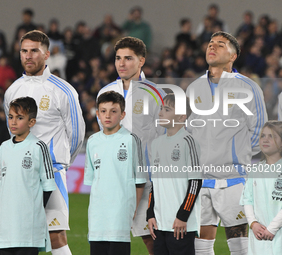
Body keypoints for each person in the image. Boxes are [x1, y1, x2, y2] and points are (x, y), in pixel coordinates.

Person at [4, 30, 85, 255]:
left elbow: (77, 133)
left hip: (52, 172)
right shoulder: (13, 90)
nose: (28, 56)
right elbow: (12, 130)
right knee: (22, 236)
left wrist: (61, 163)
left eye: (34, 51)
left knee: (56, 235)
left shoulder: (63, 90)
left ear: (47, 54)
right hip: (22, 175)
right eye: (24, 51)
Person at [186, 31, 267, 255]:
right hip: (200, 180)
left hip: (233, 178)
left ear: (233, 56)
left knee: (240, 245)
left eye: (220, 45)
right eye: (210, 43)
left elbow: (260, 131)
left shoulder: (247, 87)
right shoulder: (194, 88)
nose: (212, 47)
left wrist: (236, 158)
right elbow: (189, 130)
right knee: (201, 246)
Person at [97, 36, 165, 255]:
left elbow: (166, 136)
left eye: (128, 58)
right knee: (111, 239)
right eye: (118, 58)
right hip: (114, 179)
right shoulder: (105, 93)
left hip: (146, 181)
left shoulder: (156, 93)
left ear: (141, 61)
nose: (121, 63)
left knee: (152, 239)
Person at [84, 91, 146, 255]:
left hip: (120, 212)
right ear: (97, 114)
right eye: (103, 111)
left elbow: (140, 180)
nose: (108, 115)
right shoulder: (92, 142)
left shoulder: (131, 140)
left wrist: (133, 209)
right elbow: (92, 180)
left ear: (122, 114)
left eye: (113, 111)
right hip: (97, 215)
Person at [0, 97, 57, 255]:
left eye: (20, 117)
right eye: (11, 117)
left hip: (28, 226)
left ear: (31, 122)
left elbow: (48, 186)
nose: (13, 122)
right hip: (6, 227)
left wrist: (32, 211)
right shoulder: (4, 147)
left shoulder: (38, 147)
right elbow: (1, 186)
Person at [147, 92, 202, 254]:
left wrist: (183, 215)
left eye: (167, 109)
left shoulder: (188, 141)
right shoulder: (156, 143)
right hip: (159, 223)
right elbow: (154, 184)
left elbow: (195, 182)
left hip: (180, 224)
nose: (160, 113)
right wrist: (150, 214)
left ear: (181, 117)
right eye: (161, 108)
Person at [240, 121, 282, 255]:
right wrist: (253, 223)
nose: (265, 139)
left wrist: (272, 228)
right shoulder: (255, 170)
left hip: (277, 236)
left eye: (272, 136)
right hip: (259, 238)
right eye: (263, 136)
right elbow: (247, 199)